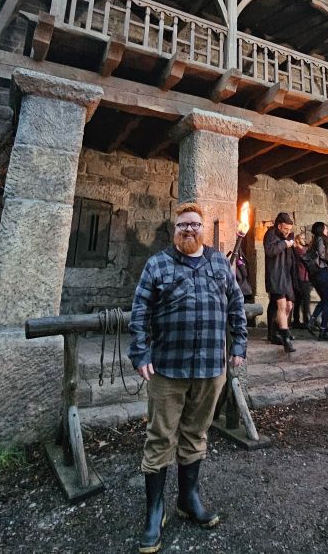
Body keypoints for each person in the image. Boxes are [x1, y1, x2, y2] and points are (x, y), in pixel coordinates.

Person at [128, 202, 248, 553]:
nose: (190, 230)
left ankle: (187, 499)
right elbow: (140, 310)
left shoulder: (219, 264)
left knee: (196, 434)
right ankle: (155, 510)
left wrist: (238, 345)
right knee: (160, 437)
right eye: (183, 225)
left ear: (203, 229)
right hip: (168, 368)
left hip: (212, 367)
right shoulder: (158, 264)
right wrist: (141, 352)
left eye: (195, 224)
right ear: (174, 230)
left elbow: (237, 305)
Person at [263, 212, 297, 353]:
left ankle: (277, 332)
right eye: (285, 229)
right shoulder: (271, 234)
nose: (287, 232)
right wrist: (284, 243)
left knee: (289, 305)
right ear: (278, 225)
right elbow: (270, 251)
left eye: (289, 229)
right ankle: (285, 339)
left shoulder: (289, 236)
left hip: (286, 275)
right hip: (276, 274)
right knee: (281, 304)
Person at [305, 222, 328, 341]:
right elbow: (322, 255)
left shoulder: (313, 241)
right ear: (321, 229)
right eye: (325, 228)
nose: (327, 229)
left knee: (324, 299)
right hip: (321, 272)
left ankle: (312, 321)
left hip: (314, 274)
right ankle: (323, 331)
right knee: (327, 301)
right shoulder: (320, 239)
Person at [291, 233, 312, 329]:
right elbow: (306, 260)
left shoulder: (300, 250)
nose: (304, 240)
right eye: (302, 238)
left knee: (299, 299)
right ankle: (306, 321)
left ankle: (296, 320)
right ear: (298, 240)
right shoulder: (299, 251)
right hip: (302, 277)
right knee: (305, 300)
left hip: (302, 277)